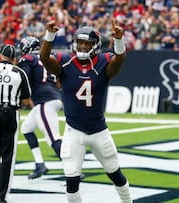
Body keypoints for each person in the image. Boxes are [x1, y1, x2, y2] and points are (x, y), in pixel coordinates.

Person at [39, 19, 132, 203]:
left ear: (95, 46)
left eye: (87, 43)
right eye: (80, 42)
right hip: (74, 131)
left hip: (99, 130)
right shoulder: (65, 62)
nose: (82, 46)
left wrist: (119, 41)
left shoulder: (103, 62)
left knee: (115, 172)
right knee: (71, 179)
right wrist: (49, 36)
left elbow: (119, 59)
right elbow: (44, 58)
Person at [0, 44, 31, 203]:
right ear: (14, 59)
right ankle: (1, 194)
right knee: (7, 156)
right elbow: (26, 99)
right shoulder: (20, 72)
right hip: (10, 113)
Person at [17, 36, 63, 179]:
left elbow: (24, 78)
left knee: (53, 138)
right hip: (52, 96)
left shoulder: (28, 59)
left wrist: (17, 96)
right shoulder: (49, 57)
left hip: (45, 101)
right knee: (26, 128)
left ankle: (73, 170)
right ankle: (40, 164)